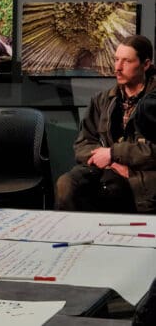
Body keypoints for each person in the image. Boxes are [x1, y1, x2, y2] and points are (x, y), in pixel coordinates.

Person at [55, 35, 156, 213]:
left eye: (127, 61)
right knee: (66, 184)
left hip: (139, 177)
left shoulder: (152, 103)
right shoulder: (102, 100)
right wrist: (107, 161)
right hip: (104, 170)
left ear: (145, 64)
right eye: (116, 60)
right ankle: (71, 235)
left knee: (111, 192)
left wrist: (113, 153)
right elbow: (82, 144)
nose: (117, 67)